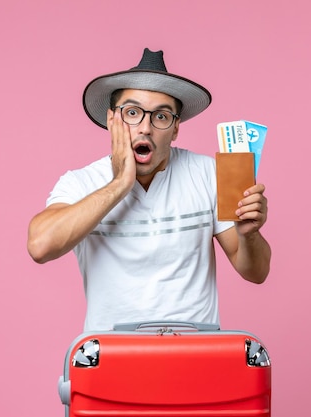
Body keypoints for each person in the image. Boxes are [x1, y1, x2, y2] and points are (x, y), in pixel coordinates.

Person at [27, 48, 271, 331]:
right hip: (112, 359)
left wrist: (249, 234)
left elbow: (257, 272)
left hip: (195, 356)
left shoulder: (208, 175)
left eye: (161, 116)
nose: (145, 127)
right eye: (132, 113)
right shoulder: (81, 183)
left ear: (176, 128)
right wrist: (119, 184)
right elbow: (40, 246)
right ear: (111, 120)